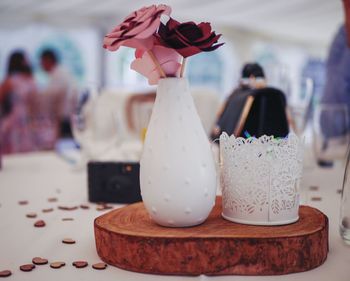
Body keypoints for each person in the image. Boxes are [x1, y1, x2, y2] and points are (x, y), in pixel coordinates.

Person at [211, 63, 289, 140]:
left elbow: (219, 123)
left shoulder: (236, 95)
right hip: (276, 143)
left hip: (241, 143)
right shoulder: (277, 94)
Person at [0, 50, 37, 153]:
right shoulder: (10, 81)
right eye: (25, 59)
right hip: (13, 119)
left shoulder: (30, 79)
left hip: (28, 118)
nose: (28, 62)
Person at [40, 48, 76, 138]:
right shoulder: (61, 72)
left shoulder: (59, 74)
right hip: (67, 117)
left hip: (65, 119)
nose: (41, 65)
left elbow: (49, 97)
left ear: (48, 60)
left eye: (42, 62)